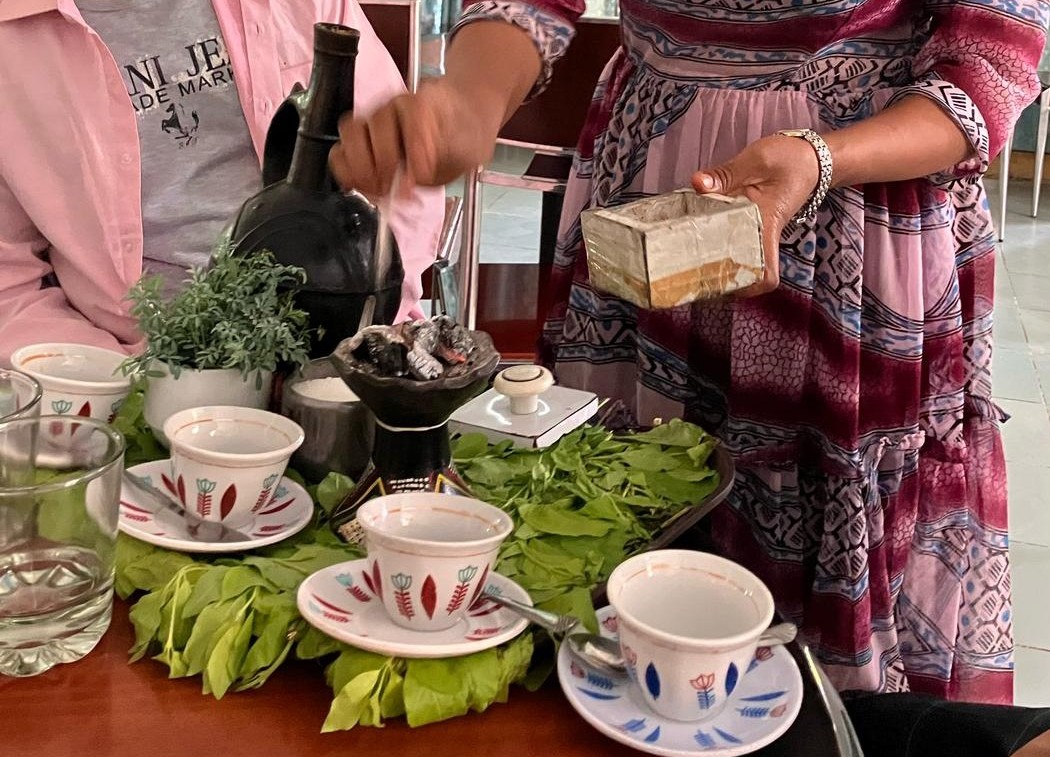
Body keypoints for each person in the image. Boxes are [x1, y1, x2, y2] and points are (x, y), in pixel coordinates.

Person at [330, 0, 1047, 701]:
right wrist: (469, 101)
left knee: (812, 593)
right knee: (619, 509)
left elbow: (991, 60)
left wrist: (822, 157)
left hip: (849, 220)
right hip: (649, 192)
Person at [0, 0, 444, 366]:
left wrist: (361, 339)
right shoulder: (12, 34)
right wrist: (123, 382)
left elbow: (404, 183)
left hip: (348, 348)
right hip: (128, 368)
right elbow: (9, 283)